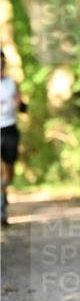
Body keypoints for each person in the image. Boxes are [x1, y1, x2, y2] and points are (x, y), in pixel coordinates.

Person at [0, 51, 23, 227]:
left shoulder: (12, 83)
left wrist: (19, 103)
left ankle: (3, 189)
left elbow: (22, 107)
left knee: (9, 169)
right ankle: (1, 207)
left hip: (9, 128)